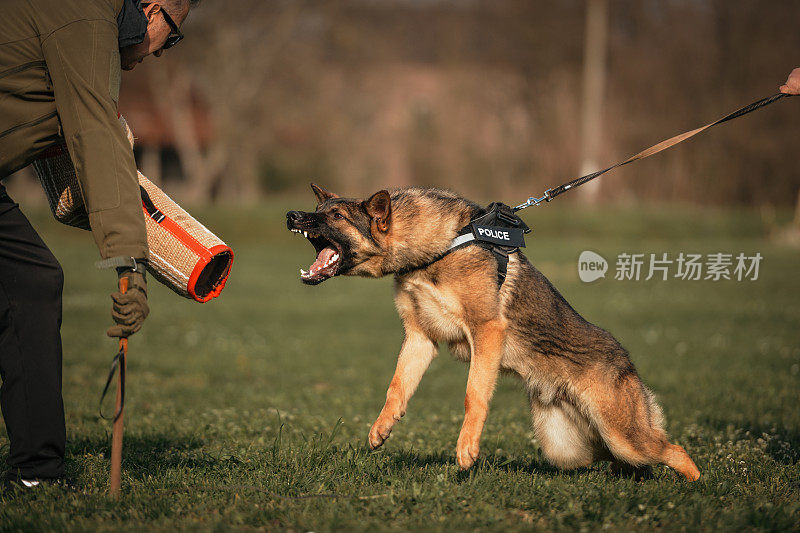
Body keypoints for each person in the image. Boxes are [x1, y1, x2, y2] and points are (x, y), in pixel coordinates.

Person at [0, 0, 196, 489]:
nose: (161, 53)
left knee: (31, 281)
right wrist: (131, 266)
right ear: (152, 10)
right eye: (172, 36)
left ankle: (36, 474)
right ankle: (37, 471)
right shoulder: (86, 14)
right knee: (31, 282)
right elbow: (97, 133)